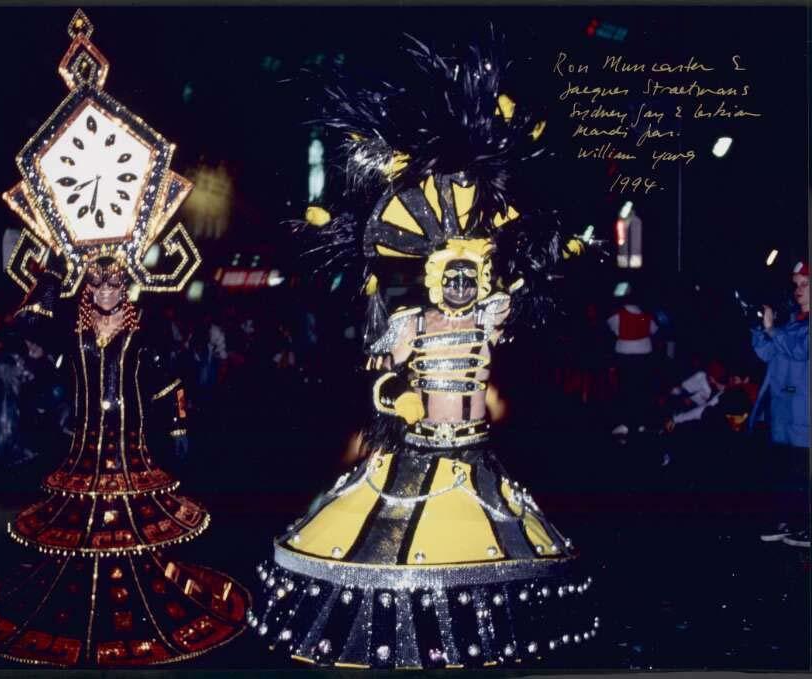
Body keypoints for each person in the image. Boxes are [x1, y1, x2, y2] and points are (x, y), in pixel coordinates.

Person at [249, 37, 598, 668]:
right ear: (434, 274)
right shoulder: (412, 321)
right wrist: (391, 370)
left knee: (482, 549)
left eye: (472, 276)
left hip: (475, 453)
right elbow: (383, 363)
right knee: (399, 549)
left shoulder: (491, 313)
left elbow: (518, 318)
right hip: (420, 449)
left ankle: (464, 642)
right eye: (453, 276)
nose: (463, 286)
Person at [0, 14, 248, 667]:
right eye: (101, 280)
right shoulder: (75, 320)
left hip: (132, 442)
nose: (111, 288)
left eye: (119, 280)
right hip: (86, 441)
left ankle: (144, 587)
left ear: (129, 282)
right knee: (78, 530)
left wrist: (174, 413)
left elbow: (168, 367)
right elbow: (39, 307)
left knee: (138, 527)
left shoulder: (144, 327)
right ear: (90, 285)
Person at [753, 261, 809, 547]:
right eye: (796, 284)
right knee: (786, 469)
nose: (798, 290)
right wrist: (759, 324)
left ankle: (806, 526)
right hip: (784, 409)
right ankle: (788, 521)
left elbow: (800, 351)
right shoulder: (792, 322)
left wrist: (773, 330)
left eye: (805, 284)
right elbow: (765, 353)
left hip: (804, 411)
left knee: (803, 469)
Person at [607, 289, 658, 436]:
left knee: (626, 389)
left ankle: (625, 424)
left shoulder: (618, 314)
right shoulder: (645, 315)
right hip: (644, 356)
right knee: (642, 389)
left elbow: (614, 330)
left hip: (626, 356)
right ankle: (641, 423)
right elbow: (653, 330)